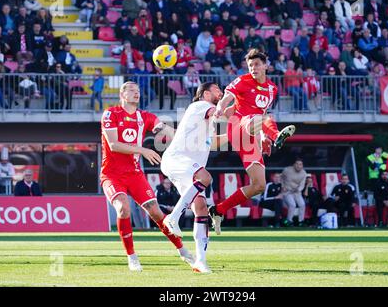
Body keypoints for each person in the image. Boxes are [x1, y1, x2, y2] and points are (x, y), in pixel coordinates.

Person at [100, 81, 194, 272]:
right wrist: (142, 150)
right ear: (122, 94)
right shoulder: (111, 114)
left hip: (134, 174)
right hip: (112, 174)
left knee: (156, 213)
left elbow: (168, 132)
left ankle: (183, 251)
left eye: (138, 91)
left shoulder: (145, 117)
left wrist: (189, 137)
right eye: (132, 90)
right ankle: (132, 257)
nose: (137, 93)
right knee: (123, 209)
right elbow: (114, 145)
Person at [208, 49, 296, 234]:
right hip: (237, 126)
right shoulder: (242, 80)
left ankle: (219, 210)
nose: (253, 68)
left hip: (251, 135)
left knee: (259, 185)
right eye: (250, 65)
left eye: (257, 64)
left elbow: (262, 113)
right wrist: (219, 109)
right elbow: (227, 98)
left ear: (266, 65)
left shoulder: (272, 88)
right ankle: (277, 135)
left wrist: (263, 137)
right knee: (259, 119)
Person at [161, 82, 225, 273]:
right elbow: (222, 112)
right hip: (177, 160)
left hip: (186, 167)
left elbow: (213, 143)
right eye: (217, 90)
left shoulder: (207, 119)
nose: (221, 93)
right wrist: (239, 103)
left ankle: (201, 261)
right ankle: (173, 218)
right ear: (206, 94)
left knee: (201, 208)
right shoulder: (200, 106)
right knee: (206, 177)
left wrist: (241, 130)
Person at [281, 159, 307, 227]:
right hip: (287, 191)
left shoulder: (304, 173)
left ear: (302, 166)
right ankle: (289, 221)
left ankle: (301, 221)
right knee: (292, 205)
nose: (299, 166)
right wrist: (282, 186)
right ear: (294, 165)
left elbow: (302, 184)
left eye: (300, 164)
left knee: (302, 204)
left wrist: (298, 189)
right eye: (297, 164)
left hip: (297, 192)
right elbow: (281, 178)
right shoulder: (287, 170)